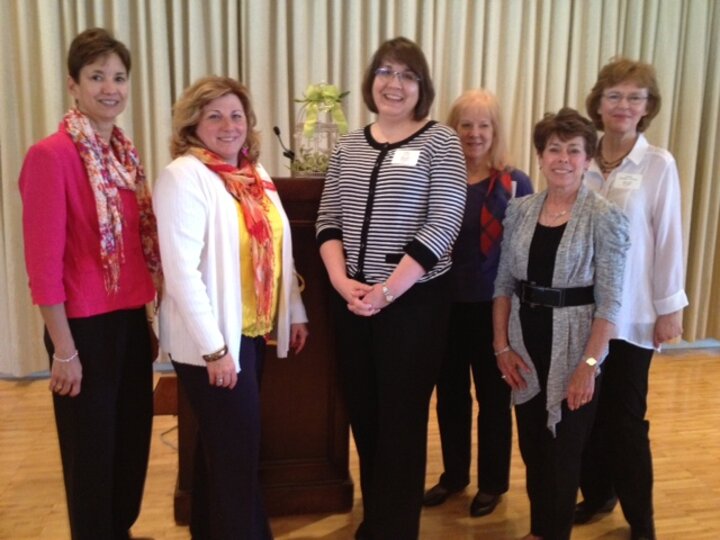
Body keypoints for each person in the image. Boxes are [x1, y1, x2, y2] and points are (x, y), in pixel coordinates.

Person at [315, 37, 467, 539]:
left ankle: (395, 529)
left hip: (412, 306)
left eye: (406, 74)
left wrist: (387, 292)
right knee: (364, 413)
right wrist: (342, 283)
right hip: (352, 301)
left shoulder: (440, 141)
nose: (394, 84)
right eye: (385, 71)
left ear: (420, 86)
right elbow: (328, 218)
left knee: (400, 421)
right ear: (371, 80)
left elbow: (444, 222)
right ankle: (378, 518)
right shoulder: (350, 145)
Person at [18, 28, 162, 539]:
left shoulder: (124, 157)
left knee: (129, 447)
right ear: (73, 85)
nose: (110, 88)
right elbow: (43, 264)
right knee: (91, 459)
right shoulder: (51, 155)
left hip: (126, 320)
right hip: (80, 330)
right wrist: (63, 350)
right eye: (96, 76)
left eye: (119, 77)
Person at [153, 76, 309, 539]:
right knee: (238, 458)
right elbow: (181, 273)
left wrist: (295, 310)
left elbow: (280, 248)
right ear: (193, 123)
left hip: (251, 334)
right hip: (212, 345)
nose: (228, 125)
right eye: (214, 115)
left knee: (221, 451)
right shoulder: (183, 176)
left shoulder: (253, 175)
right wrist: (215, 349)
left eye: (236, 115)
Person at [493, 108, 630, 540]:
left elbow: (610, 304)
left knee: (562, 455)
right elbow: (503, 284)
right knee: (533, 448)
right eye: (554, 148)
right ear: (540, 156)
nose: (563, 159)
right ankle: (540, 530)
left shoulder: (604, 216)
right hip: (523, 343)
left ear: (587, 158)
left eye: (574, 150)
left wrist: (589, 365)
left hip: (574, 348)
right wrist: (501, 346)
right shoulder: (519, 210)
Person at [575, 58, 689, 540]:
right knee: (587, 415)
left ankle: (640, 519)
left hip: (633, 316)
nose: (624, 105)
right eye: (615, 96)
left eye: (635, 97)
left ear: (647, 108)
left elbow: (669, 239)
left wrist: (670, 309)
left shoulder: (658, 164)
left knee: (624, 421)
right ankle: (598, 494)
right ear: (598, 105)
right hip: (579, 312)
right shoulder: (578, 156)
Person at [422, 89, 533, 517]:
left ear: (495, 130)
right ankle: (454, 477)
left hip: (495, 310)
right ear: (452, 131)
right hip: (443, 305)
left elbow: (525, 251)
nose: (474, 133)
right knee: (449, 396)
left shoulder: (514, 183)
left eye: (483, 124)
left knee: (493, 398)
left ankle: (492, 484)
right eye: (465, 124)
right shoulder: (438, 178)